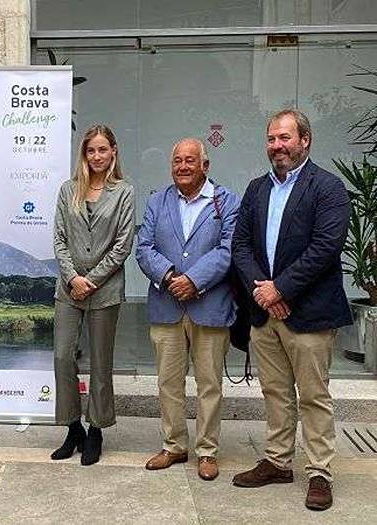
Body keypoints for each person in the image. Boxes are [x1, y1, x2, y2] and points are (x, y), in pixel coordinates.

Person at [231, 109, 351, 511]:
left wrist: (280, 288)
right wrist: (265, 293)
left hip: (310, 314)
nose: (277, 146)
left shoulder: (328, 188)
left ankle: (319, 472)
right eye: (271, 139)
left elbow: (325, 248)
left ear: (305, 140)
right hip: (266, 314)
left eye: (284, 138)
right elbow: (241, 247)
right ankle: (279, 461)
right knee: (276, 392)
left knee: (314, 395)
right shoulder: (256, 189)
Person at [136, 138, 239, 481]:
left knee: (209, 384)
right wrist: (168, 275)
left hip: (209, 306)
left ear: (205, 166)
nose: (182, 166)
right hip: (166, 306)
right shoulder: (157, 200)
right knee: (168, 382)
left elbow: (229, 250)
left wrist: (194, 280)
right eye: (177, 160)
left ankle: (207, 451)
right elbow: (144, 248)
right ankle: (174, 445)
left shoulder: (226, 202)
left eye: (190, 161)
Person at [51, 124, 135, 466]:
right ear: (84, 154)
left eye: (103, 149)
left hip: (105, 291)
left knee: (101, 364)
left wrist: (92, 280)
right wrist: (73, 277)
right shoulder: (67, 190)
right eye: (91, 150)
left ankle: (96, 429)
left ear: (113, 151)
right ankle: (73, 428)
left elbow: (123, 245)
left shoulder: (124, 192)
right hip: (68, 290)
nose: (97, 156)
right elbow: (58, 239)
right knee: (61, 356)